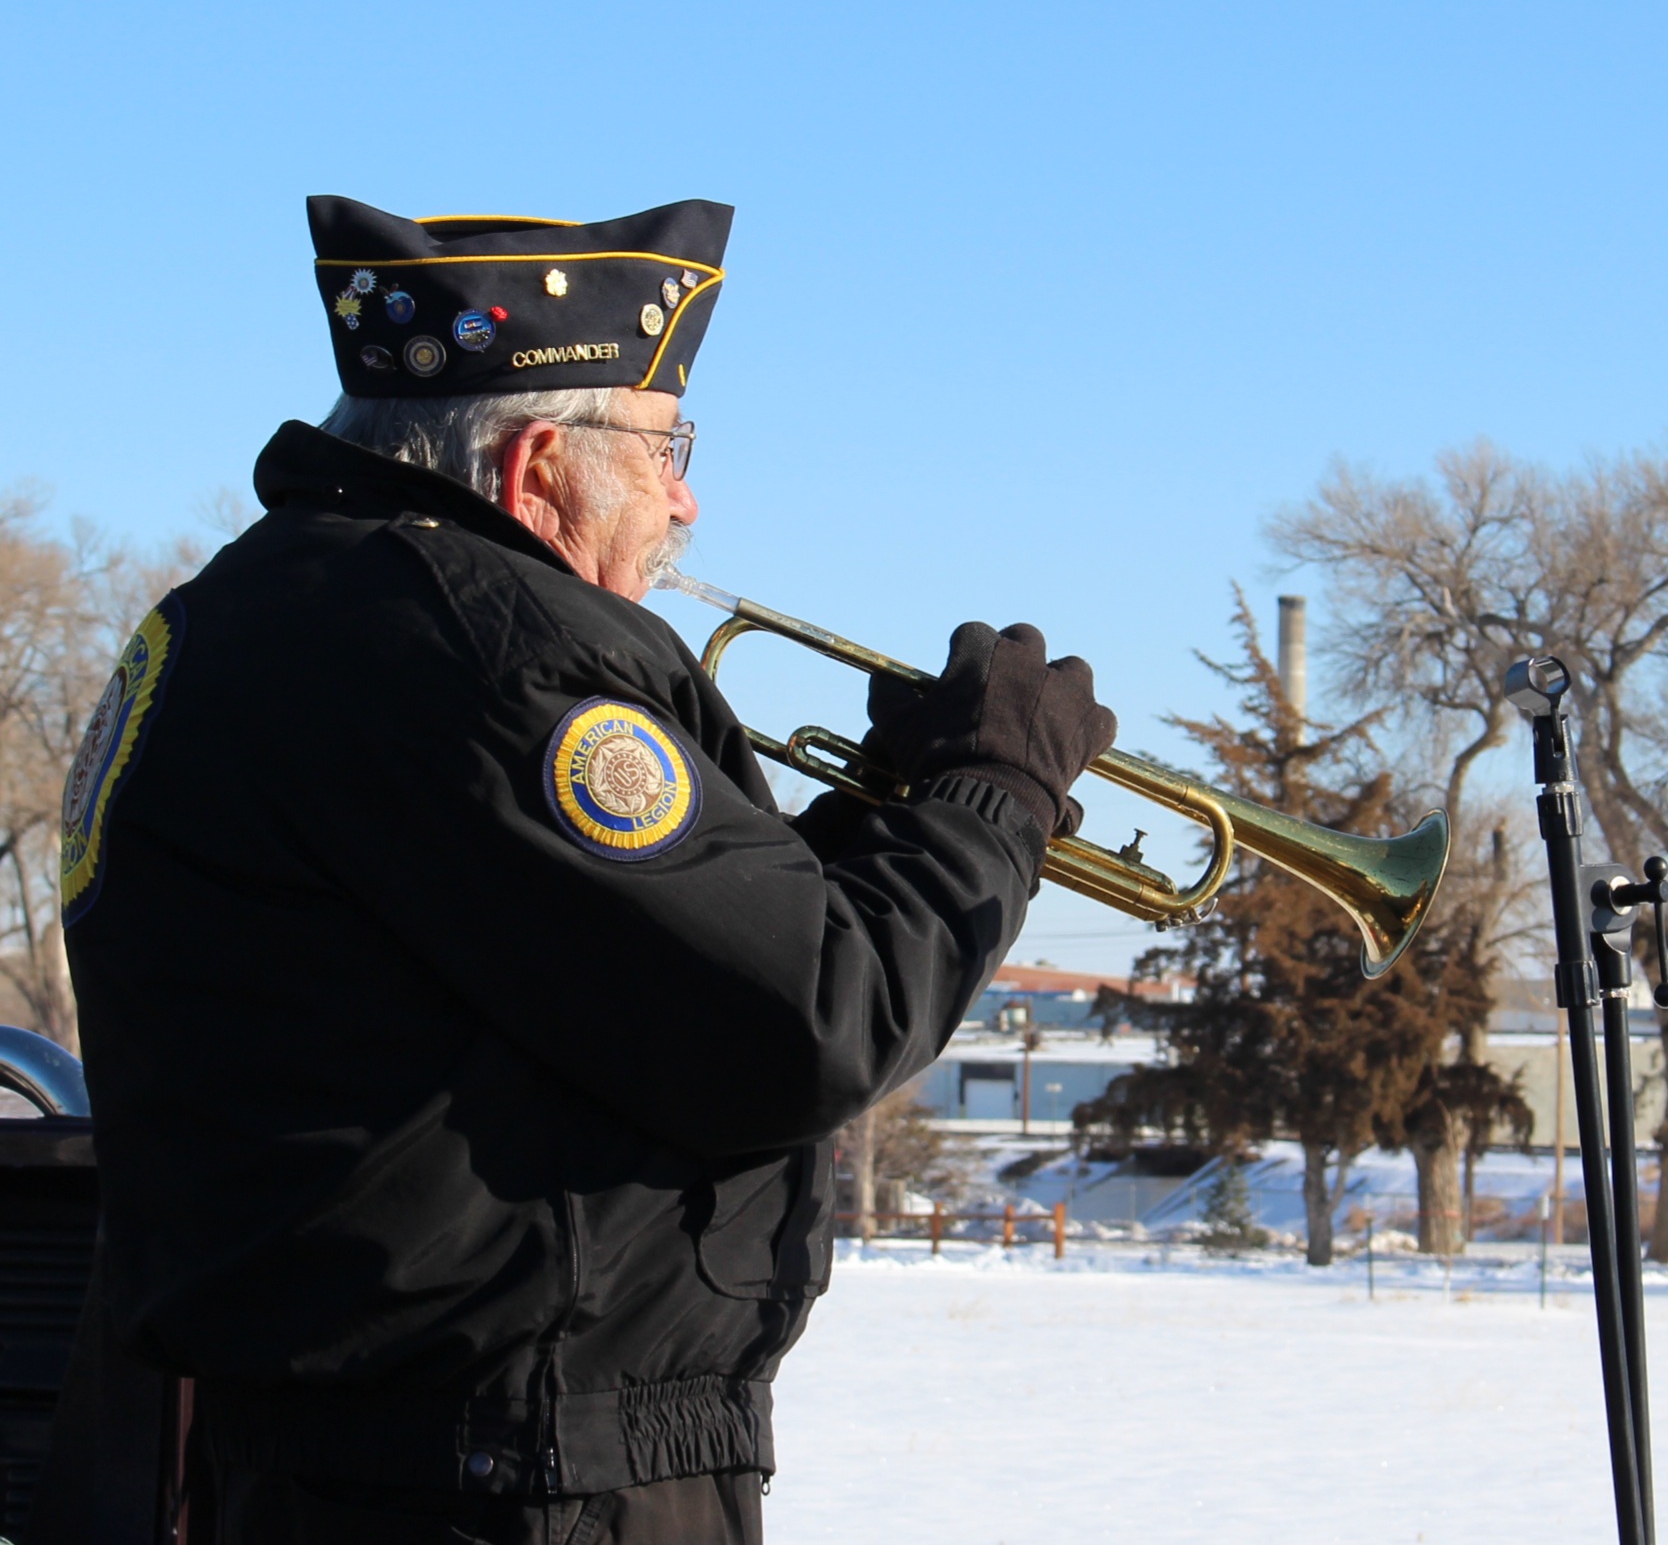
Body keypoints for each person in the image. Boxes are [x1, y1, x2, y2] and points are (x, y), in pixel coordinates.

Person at [60, 196, 1114, 1543]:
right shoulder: (497, 648)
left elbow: (646, 967)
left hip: (352, 1458)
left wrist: (887, 807)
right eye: (667, 446)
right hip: (520, 1468)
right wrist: (995, 794)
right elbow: (813, 1017)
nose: (685, 498)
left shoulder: (248, 612)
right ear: (539, 464)